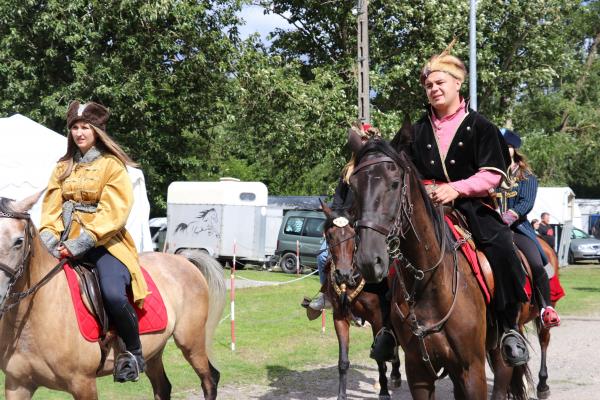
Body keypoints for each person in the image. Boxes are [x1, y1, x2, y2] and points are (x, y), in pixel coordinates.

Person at [395, 42, 529, 366]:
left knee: (502, 248)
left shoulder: (481, 126)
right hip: (425, 209)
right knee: (388, 251)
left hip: (472, 208)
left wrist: (455, 188)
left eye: (439, 82)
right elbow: (401, 169)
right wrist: (427, 189)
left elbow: (493, 175)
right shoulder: (416, 129)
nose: (433, 88)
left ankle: (509, 326)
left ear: (458, 83)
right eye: (428, 85)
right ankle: (387, 328)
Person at [40, 101, 150, 382]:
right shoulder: (62, 166)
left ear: (97, 131)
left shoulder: (112, 166)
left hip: (105, 244)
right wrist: (49, 239)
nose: (79, 133)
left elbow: (113, 213)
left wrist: (80, 243)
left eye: (85, 127)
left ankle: (134, 353)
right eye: (75, 127)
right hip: (64, 243)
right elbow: (51, 208)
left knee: (113, 293)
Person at [308, 123, 376, 312]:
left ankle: (387, 299)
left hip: (369, 223)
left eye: (366, 140)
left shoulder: (377, 169)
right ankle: (326, 295)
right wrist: (334, 219)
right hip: (344, 222)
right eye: (361, 140)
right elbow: (338, 200)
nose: (363, 143)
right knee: (323, 256)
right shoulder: (348, 171)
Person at [497, 128, 560, 328]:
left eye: (507, 146)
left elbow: (526, 203)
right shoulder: (489, 174)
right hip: (491, 228)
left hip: (518, 229)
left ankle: (545, 307)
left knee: (535, 262)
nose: (503, 149)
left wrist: (506, 218)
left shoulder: (526, 176)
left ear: (514, 149)